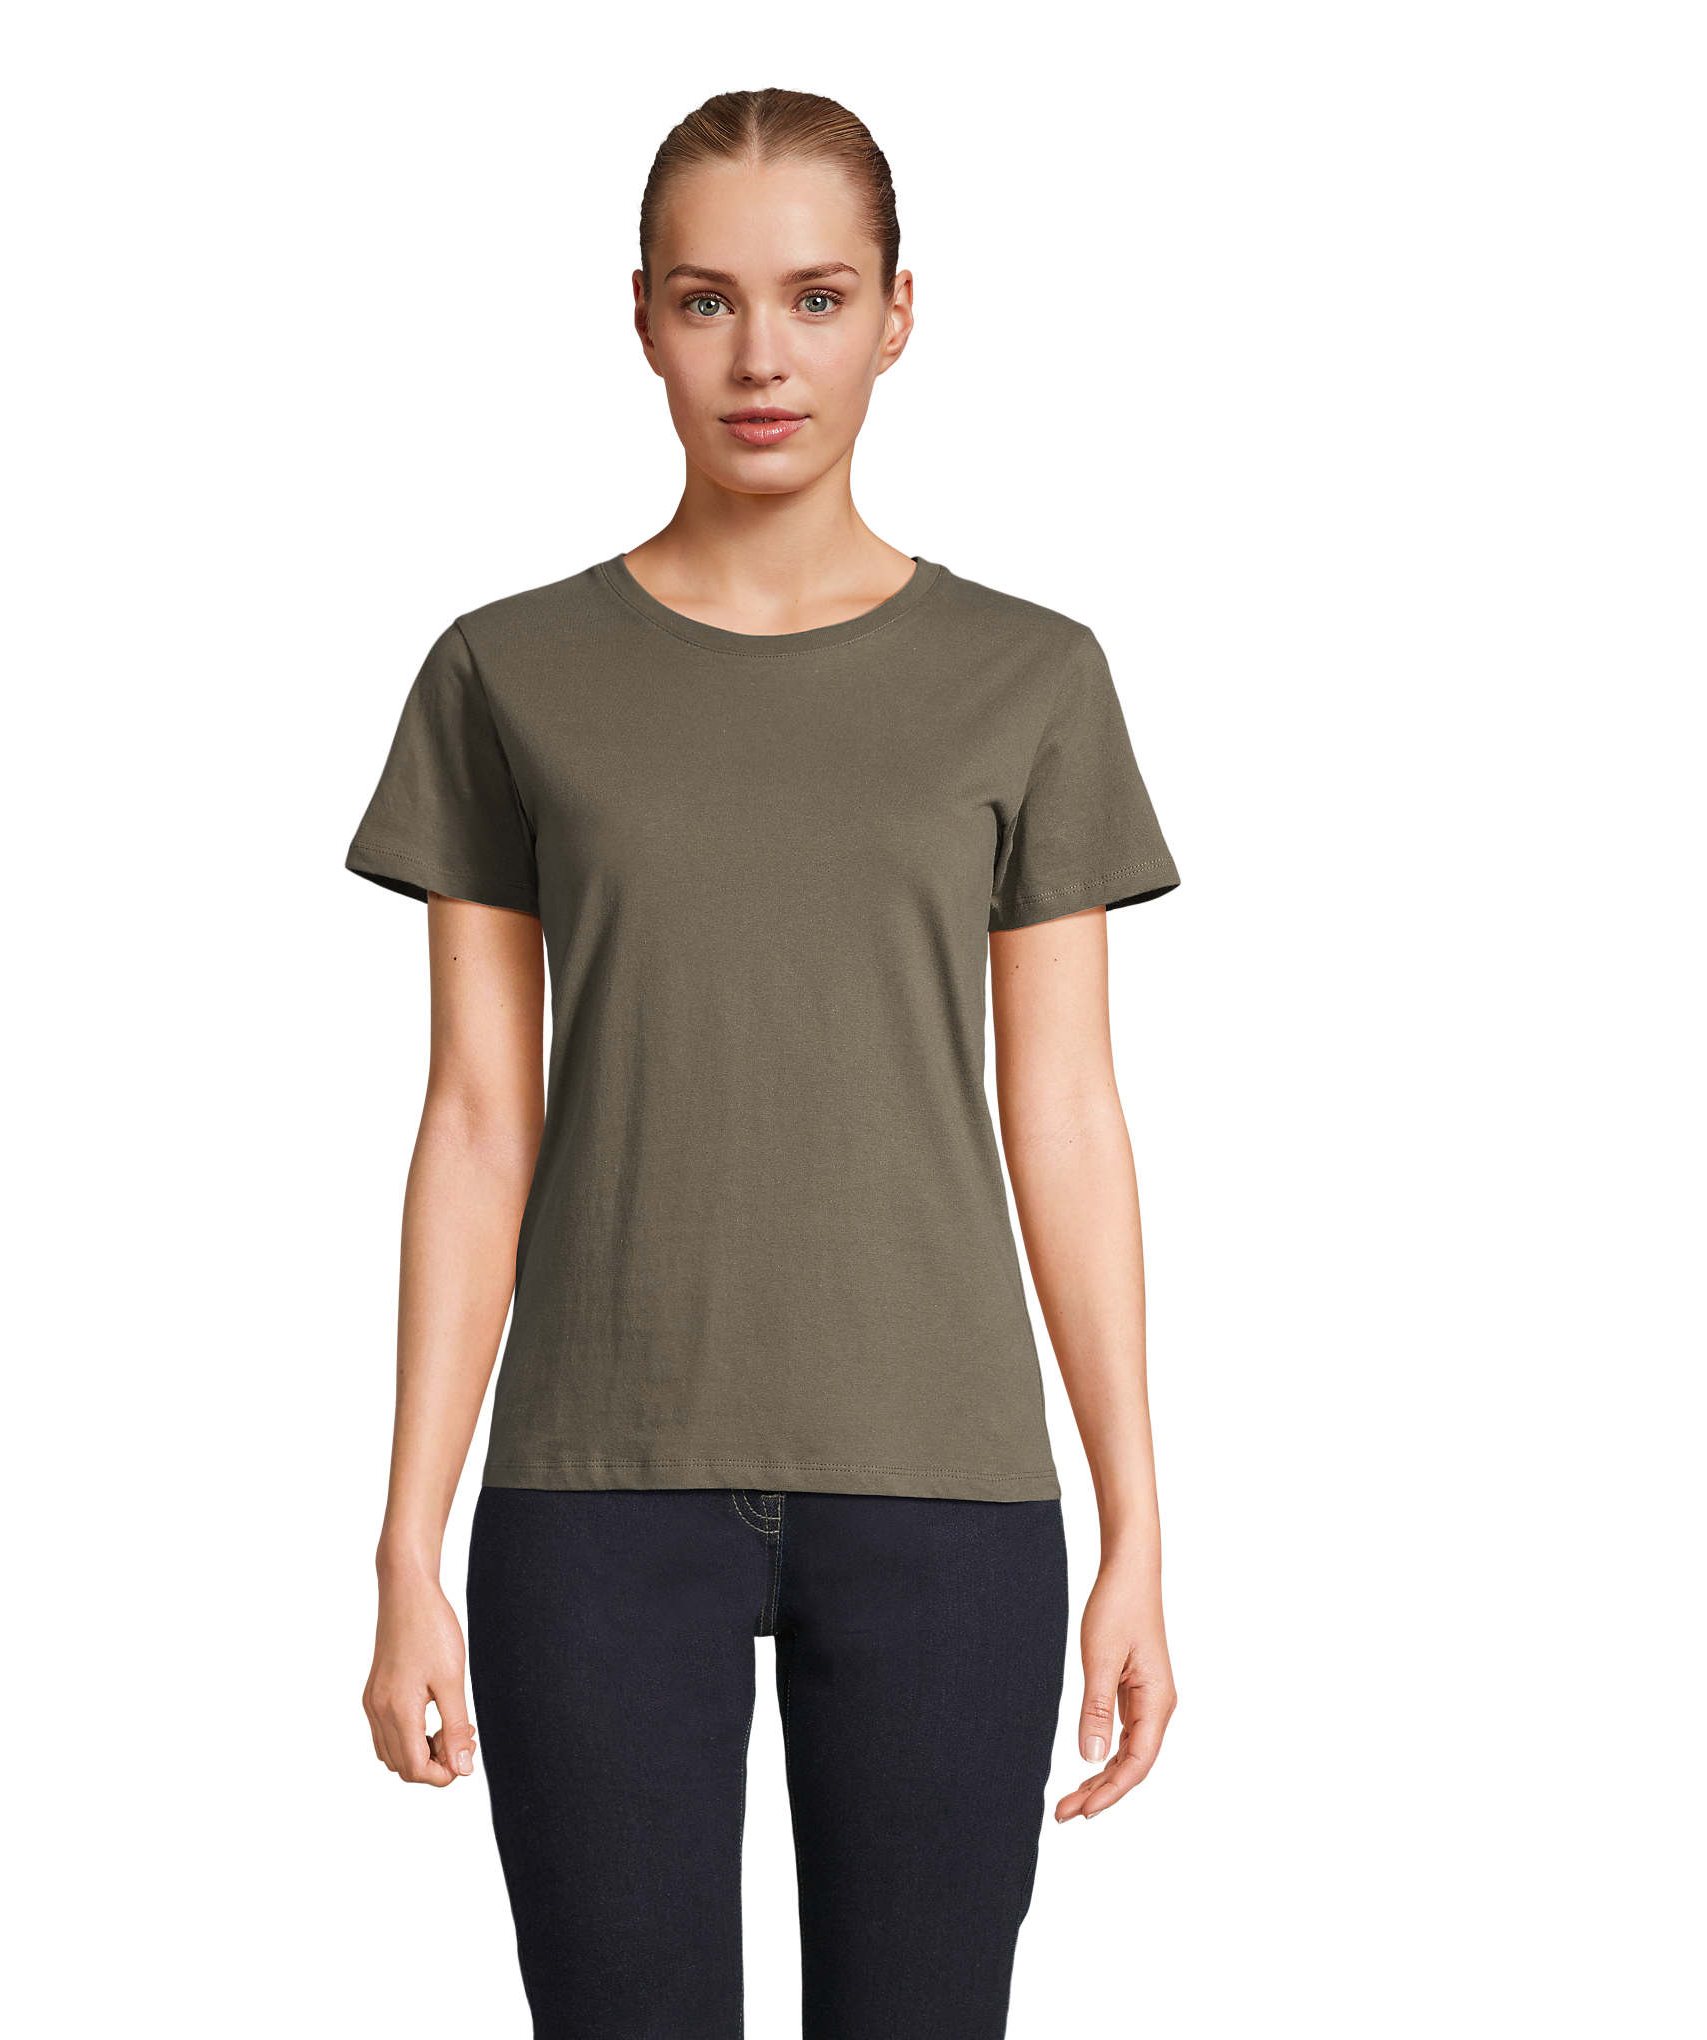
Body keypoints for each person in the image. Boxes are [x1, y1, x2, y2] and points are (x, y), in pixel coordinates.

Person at [346, 85, 1181, 2040]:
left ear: (898, 313)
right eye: (708, 300)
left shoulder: (1030, 678)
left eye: (814, 297)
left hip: (946, 1489)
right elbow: (476, 1121)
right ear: (641, 316)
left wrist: (1136, 1517)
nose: (761, 358)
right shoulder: (504, 673)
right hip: (592, 1488)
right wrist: (404, 1538)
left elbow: (1065, 1113)